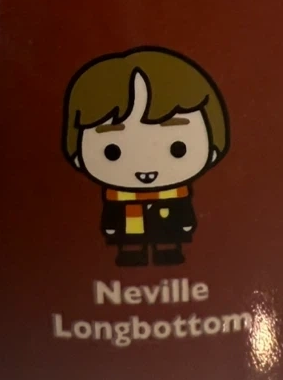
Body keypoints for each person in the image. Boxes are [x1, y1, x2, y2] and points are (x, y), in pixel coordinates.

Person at [62, 48, 229, 267]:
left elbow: (182, 210)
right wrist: (110, 226)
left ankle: (168, 250)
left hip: (168, 221)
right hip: (128, 225)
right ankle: (132, 253)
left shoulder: (176, 194)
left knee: (168, 234)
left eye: (178, 148)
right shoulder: (118, 196)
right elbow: (112, 214)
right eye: (112, 151)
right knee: (130, 239)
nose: (145, 169)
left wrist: (186, 223)